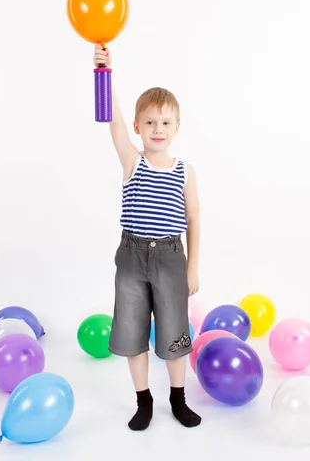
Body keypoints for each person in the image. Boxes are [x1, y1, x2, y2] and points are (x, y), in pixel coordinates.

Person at [93, 44, 201, 430]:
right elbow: (115, 122)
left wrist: (192, 267)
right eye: (150, 122)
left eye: (166, 123)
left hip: (171, 257)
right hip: (133, 256)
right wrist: (104, 73)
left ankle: (177, 397)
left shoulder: (184, 171)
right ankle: (144, 400)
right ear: (139, 127)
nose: (158, 129)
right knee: (132, 330)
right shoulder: (132, 161)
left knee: (174, 331)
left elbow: (193, 220)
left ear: (177, 128)